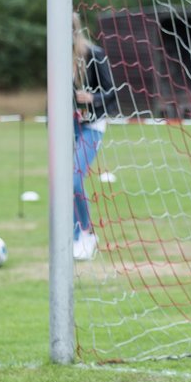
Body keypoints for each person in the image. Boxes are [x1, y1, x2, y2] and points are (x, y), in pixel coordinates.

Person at [72, 14, 119, 261]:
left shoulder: (94, 54)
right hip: (66, 127)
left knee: (74, 180)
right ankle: (72, 236)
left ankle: (87, 232)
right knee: (62, 185)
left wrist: (93, 99)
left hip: (92, 125)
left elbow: (111, 91)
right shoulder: (56, 57)